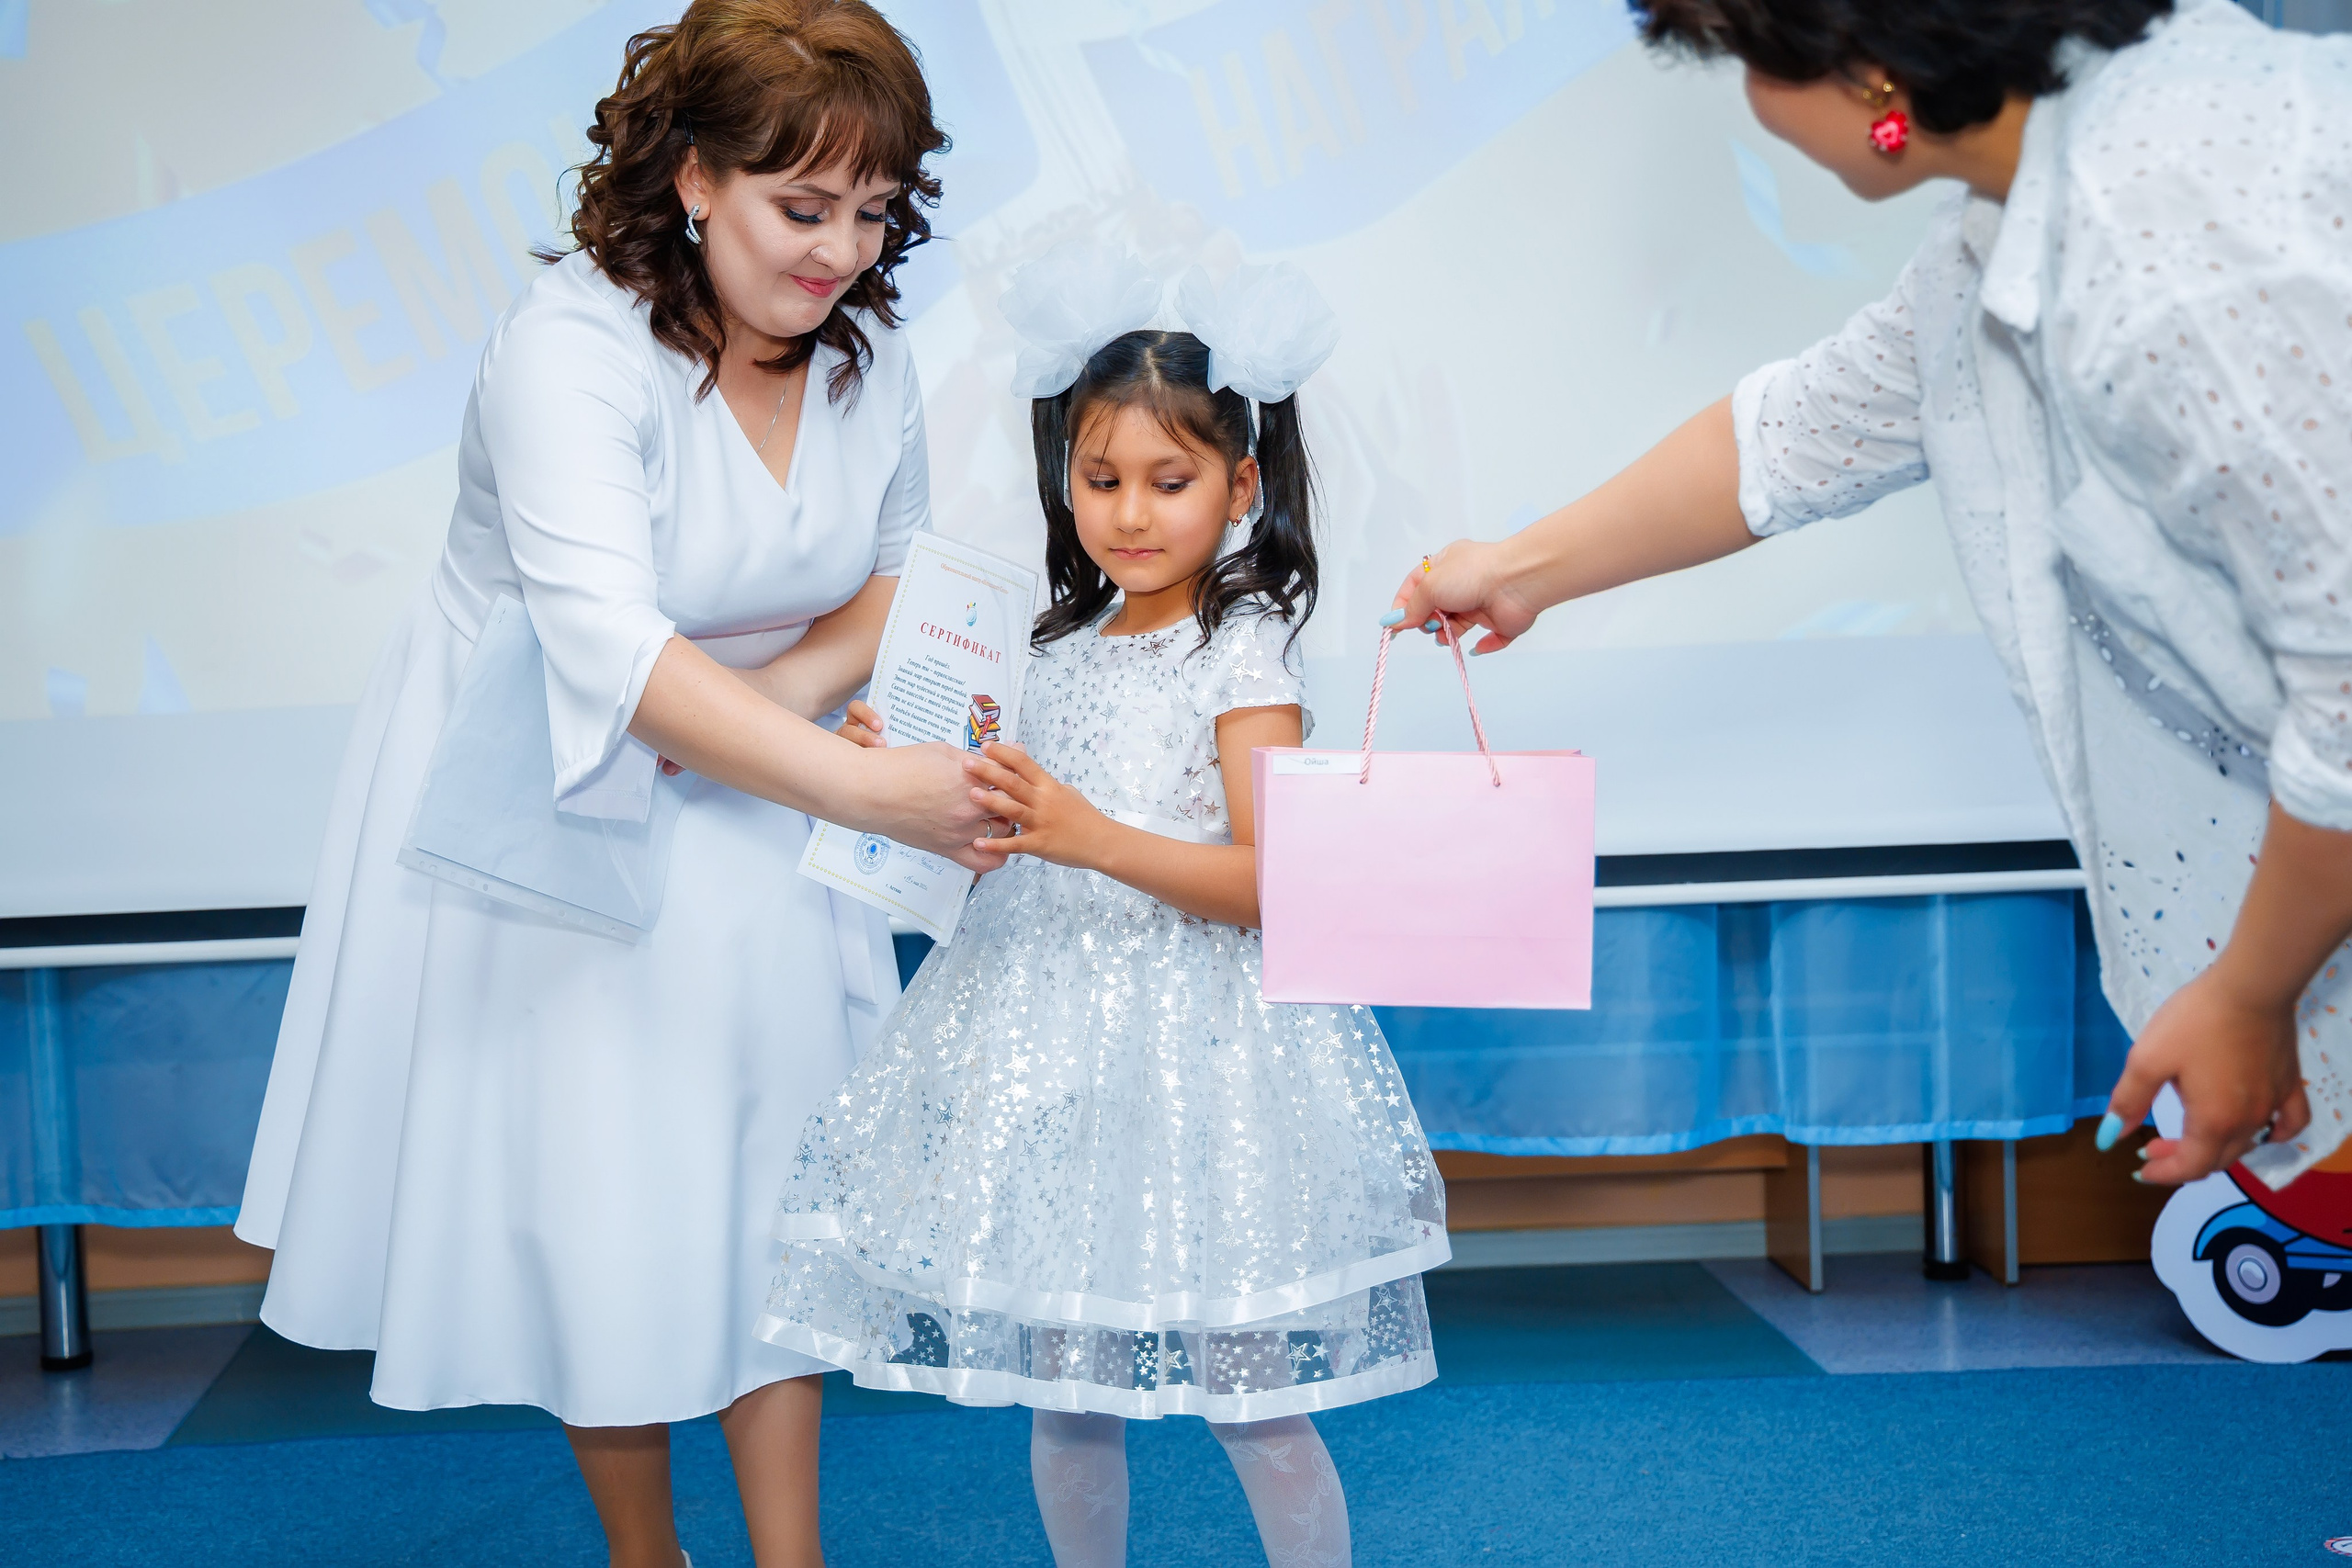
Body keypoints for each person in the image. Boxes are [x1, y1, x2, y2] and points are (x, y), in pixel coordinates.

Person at [233, 4, 988, 1563]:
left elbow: (897, 574)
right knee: (607, 1200)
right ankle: (650, 1557)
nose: (840, 252)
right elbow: (611, 653)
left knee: (774, 1179)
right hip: (551, 804)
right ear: (696, 176)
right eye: (802, 206)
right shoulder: (569, 349)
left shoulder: (871, 354)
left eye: (871, 211)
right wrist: (853, 790)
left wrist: (768, 713)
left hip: (755, 777)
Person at [1386, 0, 2352, 1192]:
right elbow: (1798, 433)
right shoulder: (2011, 221)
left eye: (1746, 62)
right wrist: (1516, 571)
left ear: (1868, 72)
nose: (1751, 105)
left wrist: (2250, 994)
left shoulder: (2166, 236)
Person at [752, 246, 1447, 1568]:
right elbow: (993, 837)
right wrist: (890, 767)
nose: (1130, 513)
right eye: (1100, 478)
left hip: (1205, 1065)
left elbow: (1277, 884)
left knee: (1252, 1393)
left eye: (1169, 482)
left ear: (1242, 483)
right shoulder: (1042, 648)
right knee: (1067, 1386)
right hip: (1049, 1055)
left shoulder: (1244, 648)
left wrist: (1093, 837)